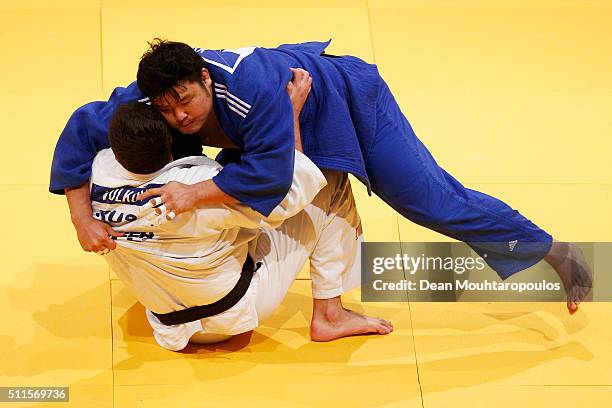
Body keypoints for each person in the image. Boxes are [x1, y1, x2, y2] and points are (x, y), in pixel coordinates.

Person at [50, 39, 592, 314]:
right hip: (284, 130)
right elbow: (79, 131)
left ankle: (554, 250)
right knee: (304, 202)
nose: (179, 117)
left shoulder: (252, 90)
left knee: (434, 203)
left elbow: (272, 179)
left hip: (346, 103)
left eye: (186, 100)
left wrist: (194, 192)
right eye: (165, 108)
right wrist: (80, 219)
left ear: (204, 77)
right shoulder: (150, 95)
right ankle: (329, 313)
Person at [94, 100, 393, 351]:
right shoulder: (192, 190)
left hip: (165, 321)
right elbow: (290, 191)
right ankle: (331, 315)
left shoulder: (96, 174)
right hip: (233, 312)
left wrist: (81, 220)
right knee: (330, 178)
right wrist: (290, 115)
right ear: (170, 140)